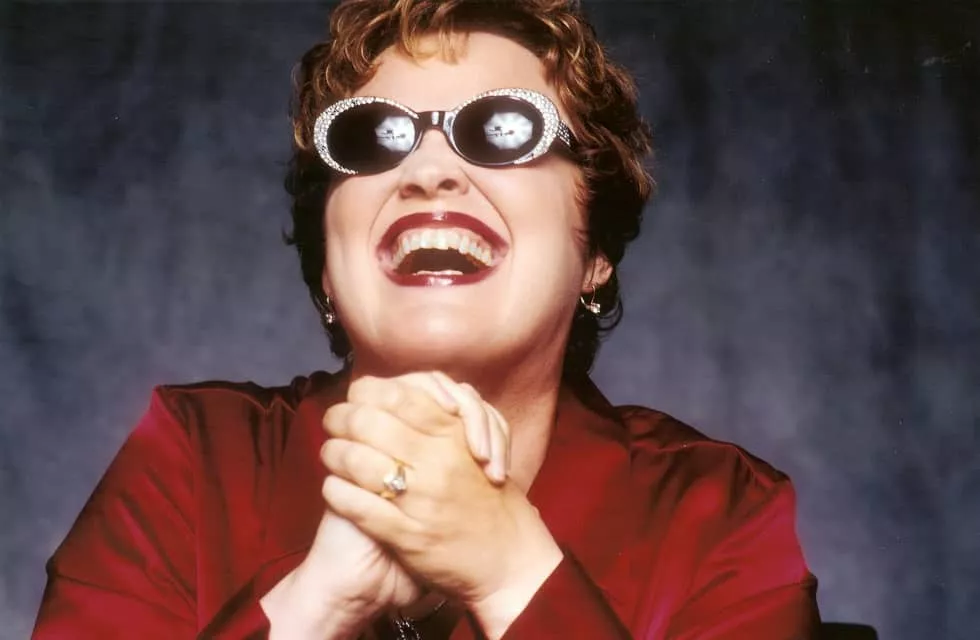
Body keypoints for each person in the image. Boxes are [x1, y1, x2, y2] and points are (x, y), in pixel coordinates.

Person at [33, 0, 820, 638]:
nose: (430, 170)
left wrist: (511, 571)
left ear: (596, 254)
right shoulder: (192, 461)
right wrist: (314, 605)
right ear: (327, 264)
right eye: (372, 139)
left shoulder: (720, 513)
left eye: (502, 130)